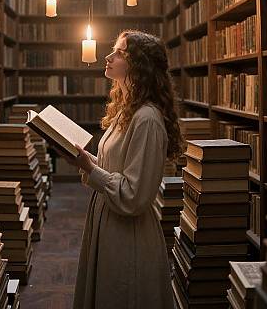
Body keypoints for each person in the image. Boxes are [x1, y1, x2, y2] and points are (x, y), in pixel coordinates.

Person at [68, 29, 182, 309]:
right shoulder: (126, 110)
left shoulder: (147, 120)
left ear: (138, 65)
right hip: (109, 222)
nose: (107, 57)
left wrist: (91, 170)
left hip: (127, 233)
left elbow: (133, 195)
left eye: (118, 53)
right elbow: (115, 168)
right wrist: (88, 161)